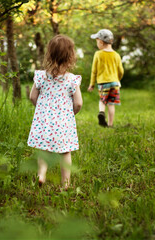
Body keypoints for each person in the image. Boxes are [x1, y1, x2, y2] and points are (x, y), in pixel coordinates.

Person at [27, 35, 83, 190]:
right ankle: (65, 184)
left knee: (43, 150)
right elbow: (78, 103)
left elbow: (32, 96)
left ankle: (41, 175)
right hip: (64, 122)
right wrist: (71, 113)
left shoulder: (41, 76)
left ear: (49, 54)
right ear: (70, 56)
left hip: (43, 120)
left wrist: (41, 110)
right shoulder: (71, 80)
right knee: (65, 153)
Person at [87, 29, 124, 127]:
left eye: (97, 41)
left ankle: (101, 112)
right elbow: (121, 71)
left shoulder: (98, 54)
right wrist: (117, 79)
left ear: (101, 42)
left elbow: (94, 71)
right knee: (111, 104)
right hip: (115, 83)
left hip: (103, 83)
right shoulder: (116, 55)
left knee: (102, 101)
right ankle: (110, 125)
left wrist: (92, 84)